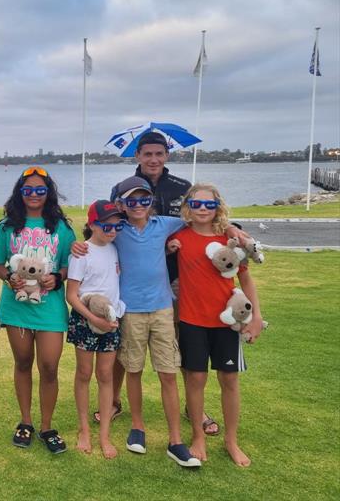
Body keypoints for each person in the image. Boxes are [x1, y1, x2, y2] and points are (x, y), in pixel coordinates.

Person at [101, 131, 220, 437]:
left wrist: (233, 230)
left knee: (180, 348)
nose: (153, 159)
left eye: (159, 154)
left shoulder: (183, 188)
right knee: (126, 350)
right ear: (138, 156)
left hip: (179, 279)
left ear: (167, 155)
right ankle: (113, 401)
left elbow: (201, 219)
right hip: (132, 284)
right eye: (147, 154)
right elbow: (107, 227)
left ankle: (194, 408)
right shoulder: (121, 189)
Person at [166, 183, 264, 467]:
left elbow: (245, 279)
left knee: (229, 380)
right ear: (188, 207)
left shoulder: (230, 240)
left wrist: (256, 316)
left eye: (210, 205)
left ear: (218, 206)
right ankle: (197, 435)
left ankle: (231, 441)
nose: (203, 210)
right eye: (197, 204)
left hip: (227, 323)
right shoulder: (179, 238)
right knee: (195, 379)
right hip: (191, 321)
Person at [0, 167, 75, 454]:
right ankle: (25, 421)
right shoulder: (7, 226)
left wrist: (58, 278)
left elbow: (67, 264)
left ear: (48, 193)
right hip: (17, 307)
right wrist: (8, 277)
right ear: (20, 193)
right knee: (23, 362)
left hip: (50, 308)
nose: (35, 195)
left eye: (40, 190)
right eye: (28, 190)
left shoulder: (61, 227)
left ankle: (47, 426)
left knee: (49, 367)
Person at [66, 200, 127, 460]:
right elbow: (72, 295)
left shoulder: (115, 250)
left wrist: (107, 321)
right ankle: (83, 431)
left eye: (117, 225)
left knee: (105, 375)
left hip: (111, 319)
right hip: (85, 319)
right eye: (106, 225)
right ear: (92, 225)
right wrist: (93, 319)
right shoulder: (81, 253)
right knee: (84, 373)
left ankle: (104, 435)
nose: (112, 231)